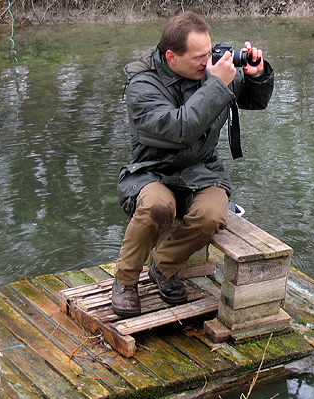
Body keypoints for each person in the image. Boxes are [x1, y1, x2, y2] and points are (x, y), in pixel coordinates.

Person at [112, 11, 275, 317]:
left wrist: (258, 75)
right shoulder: (142, 86)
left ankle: (162, 268)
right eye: (199, 57)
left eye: (209, 53)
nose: (208, 62)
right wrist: (216, 85)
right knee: (158, 208)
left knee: (212, 215)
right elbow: (179, 130)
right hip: (152, 171)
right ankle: (125, 281)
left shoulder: (208, 72)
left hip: (202, 170)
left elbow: (256, 100)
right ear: (171, 56)